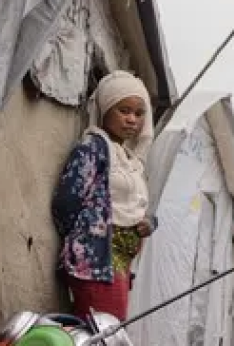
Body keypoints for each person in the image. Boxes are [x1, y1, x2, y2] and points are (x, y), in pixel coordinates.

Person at [51, 71, 157, 320]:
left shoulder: (130, 160)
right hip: (97, 261)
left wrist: (148, 223)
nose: (132, 120)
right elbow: (66, 202)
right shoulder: (93, 148)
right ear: (106, 109)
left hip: (118, 263)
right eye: (124, 111)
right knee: (105, 329)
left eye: (139, 113)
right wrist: (87, 237)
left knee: (104, 330)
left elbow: (135, 205)